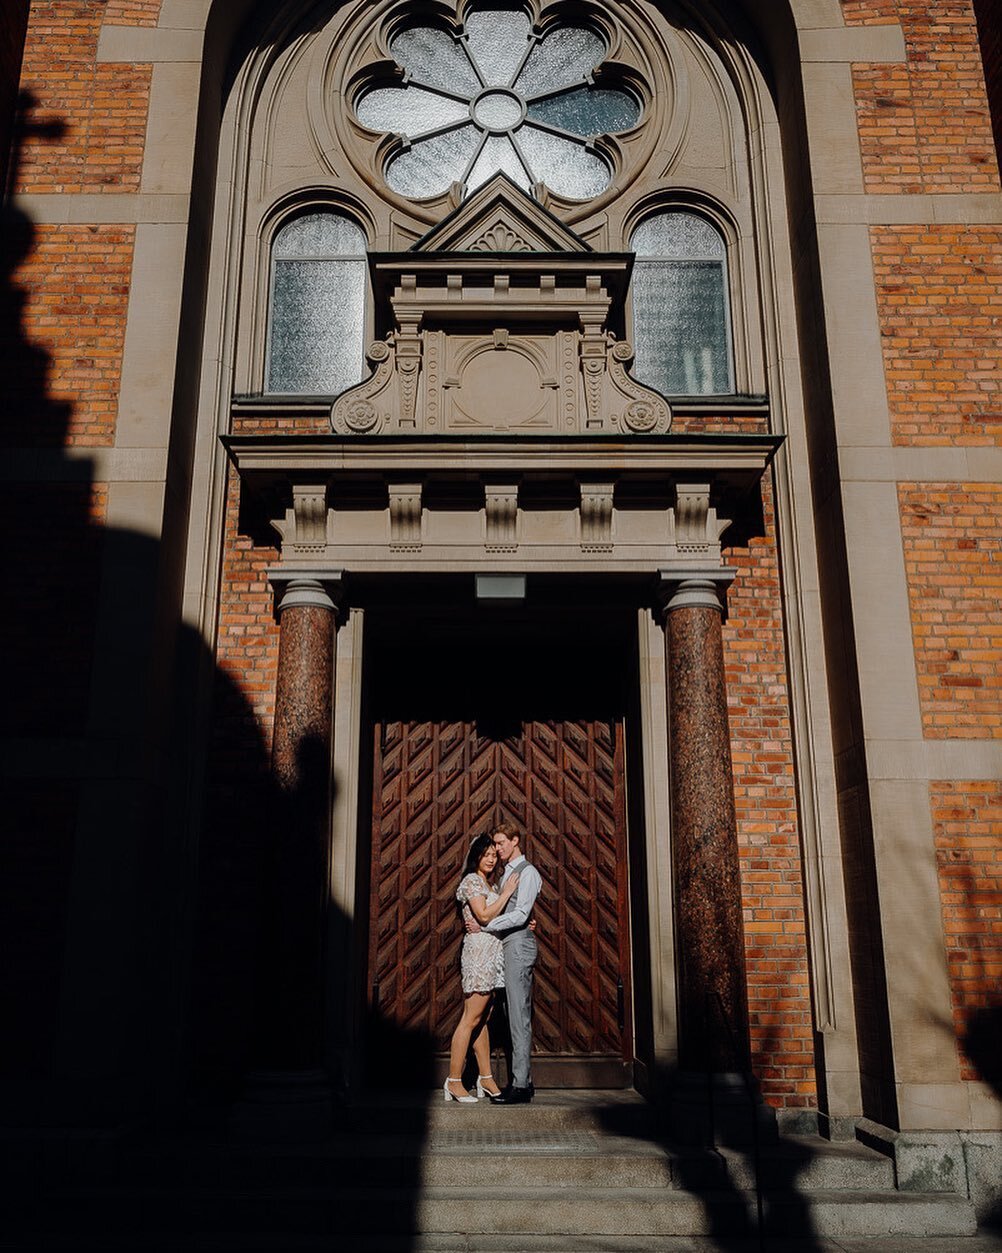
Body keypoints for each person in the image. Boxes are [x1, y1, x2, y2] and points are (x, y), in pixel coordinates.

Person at [468, 820, 542, 1105]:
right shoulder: (508, 873)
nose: (497, 849)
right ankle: (526, 1080)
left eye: (501, 843)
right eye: (495, 844)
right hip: (508, 945)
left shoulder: (528, 872)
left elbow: (522, 914)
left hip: (518, 946)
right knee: (513, 1012)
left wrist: (487, 926)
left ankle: (520, 1085)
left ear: (515, 840)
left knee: (518, 1015)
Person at [444, 834, 521, 1103]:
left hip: (493, 952)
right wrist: (507, 893)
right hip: (478, 953)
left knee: (483, 1017)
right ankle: (454, 1080)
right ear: (476, 855)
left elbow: (494, 918)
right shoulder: (472, 881)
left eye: (493, 855)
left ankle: (486, 1077)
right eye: (486, 854)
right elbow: (485, 915)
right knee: (470, 1018)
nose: (491, 859)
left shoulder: (490, 883)